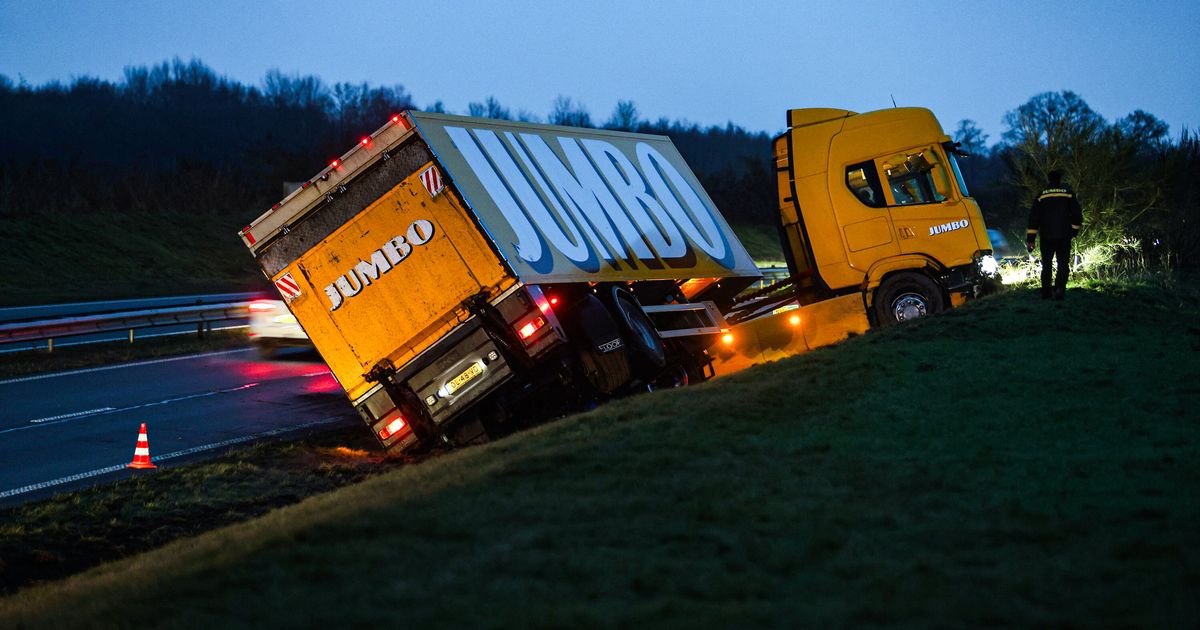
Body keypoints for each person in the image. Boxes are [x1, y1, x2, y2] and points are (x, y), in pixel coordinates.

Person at [1026, 170, 1084, 300]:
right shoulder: (1068, 194)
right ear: (1060, 179)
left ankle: (1046, 293)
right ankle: (1059, 289)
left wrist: (1030, 240)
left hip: (1046, 236)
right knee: (1063, 264)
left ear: (1049, 179)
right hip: (1064, 236)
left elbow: (1033, 218)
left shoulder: (1041, 196)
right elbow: (1077, 215)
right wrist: (1073, 231)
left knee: (1046, 265)